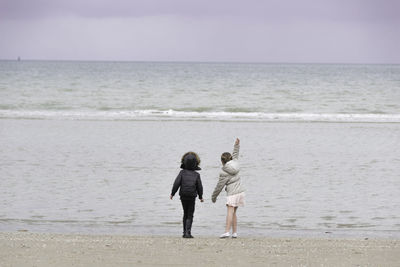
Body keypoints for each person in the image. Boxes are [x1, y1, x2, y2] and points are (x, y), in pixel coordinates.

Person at [212, 138, 245, 238]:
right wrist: (236, 146)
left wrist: (214, 197)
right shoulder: (236, 163)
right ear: (230, 159)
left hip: (232, 193)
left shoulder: (224, 172)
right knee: (234, 212)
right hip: (240, 192)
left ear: (222, 161)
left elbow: (219, 186)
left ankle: (227, 231)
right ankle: (234, 232)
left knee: (230, 211)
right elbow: (235, 154)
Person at [170, 152, 204, 238]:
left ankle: (184, 232)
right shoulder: (197, 175)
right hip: (192, 196)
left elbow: (176, 183)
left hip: (183, 195)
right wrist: (200, 196)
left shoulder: (182, 173)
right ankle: (188, 232)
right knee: (190, 214)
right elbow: (199, 186)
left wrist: (172, 193)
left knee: (185, 213)